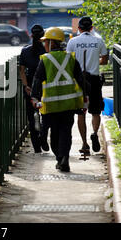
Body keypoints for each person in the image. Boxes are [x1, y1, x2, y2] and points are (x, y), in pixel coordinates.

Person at [31, 27, 86, 172]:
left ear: (52, 43)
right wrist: (86, 96)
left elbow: (37, 80)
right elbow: (80, 79)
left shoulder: (45, 60)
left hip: (51, 106)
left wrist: (34, 97)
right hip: (69, 104)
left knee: (54, 134)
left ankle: (60, 157)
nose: (44, 45)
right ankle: (64, 157)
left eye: (46, 42)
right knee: (66, 132)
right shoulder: (70, 58)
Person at [66, 16, 108, 155]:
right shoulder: (98, 40)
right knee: (96, 111)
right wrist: (95, 61)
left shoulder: (72, 41)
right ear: (91, 28)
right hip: (94, 79)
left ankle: (84, 144)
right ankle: (95, 133)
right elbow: (105, 60)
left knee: (81, 113)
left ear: (79, 29)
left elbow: (69, 62)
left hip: (79, 81)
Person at [19, 24, 49, 153]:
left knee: (31, 116)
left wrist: (26, 86)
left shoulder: (25, 51)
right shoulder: (47, 51)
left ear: (31, 36)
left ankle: (37, 146)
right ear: (43, 37)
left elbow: (21, 71)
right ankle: (43, 138)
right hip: (45, 85)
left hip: (30, 86)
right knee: (46, 114)